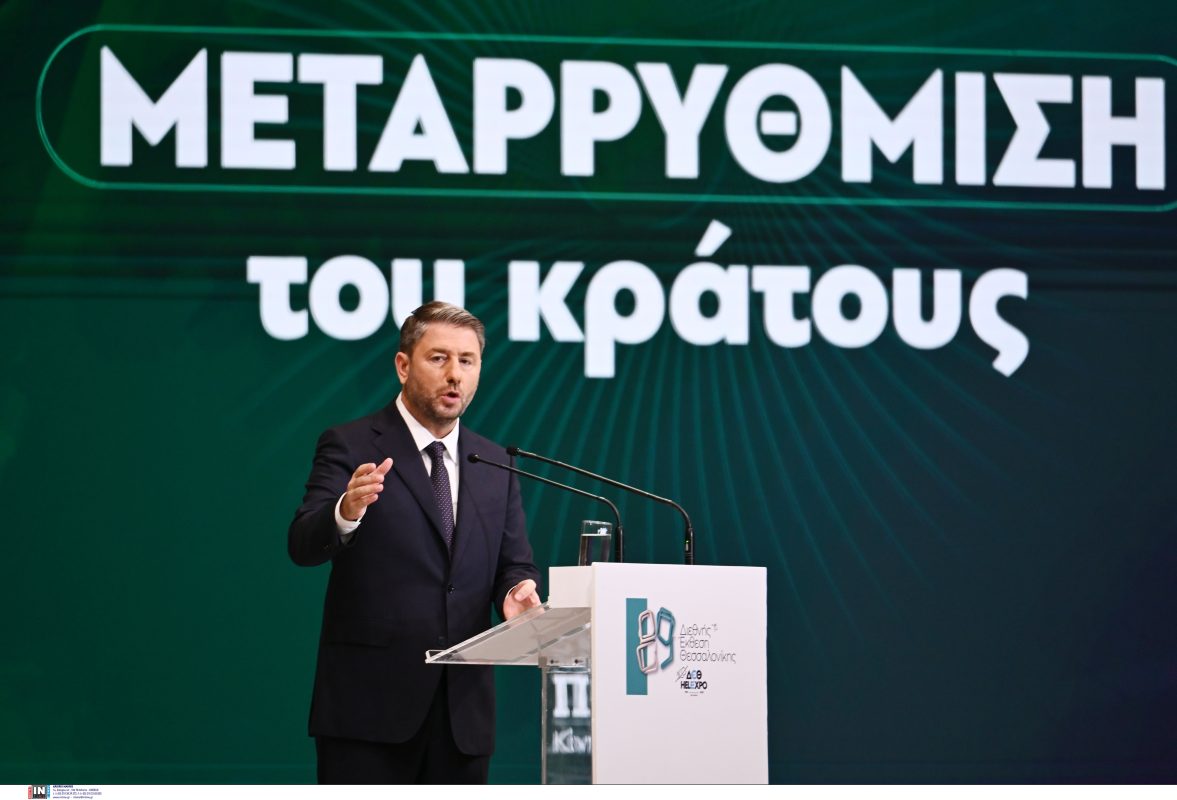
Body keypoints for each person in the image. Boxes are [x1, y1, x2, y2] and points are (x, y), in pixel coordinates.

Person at [288, 301, 541, 784]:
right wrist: (346, 511)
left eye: (467, 361)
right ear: (403, 366)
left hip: (461, 716)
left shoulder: (494, 463)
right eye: (439, 358)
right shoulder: (351, 444)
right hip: (368, 711)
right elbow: (302, 543)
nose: (454, 374)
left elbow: (514, 562)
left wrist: (516, 590)